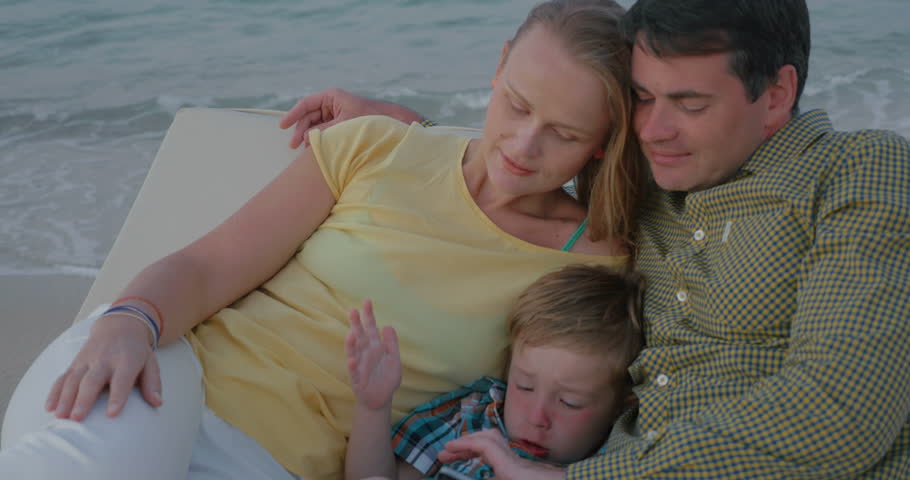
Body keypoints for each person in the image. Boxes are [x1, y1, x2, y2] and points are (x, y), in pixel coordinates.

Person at [0, 1, 644, 479]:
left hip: (277, 465)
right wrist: (129, 319)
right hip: (165, 371)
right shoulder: (375, 145)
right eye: (519, 105)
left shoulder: (594, 261)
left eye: (563, 133)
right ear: (500, 64)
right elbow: (207, 266)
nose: (524, 146)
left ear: (603, 138)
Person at [280, 0, 910, 478]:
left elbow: (841, 414)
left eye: (689, 104)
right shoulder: (651, 188)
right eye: (641, 98)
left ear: (777, 95)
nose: (654, 129)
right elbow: (541, 140)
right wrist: (412, 132)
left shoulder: (857, 171)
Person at [344, 264, 643, 480]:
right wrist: (374, 408)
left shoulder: (620, 463)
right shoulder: (473, 415)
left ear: (620, 407)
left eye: (570, 402)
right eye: (524, 386)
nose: (536, 417)